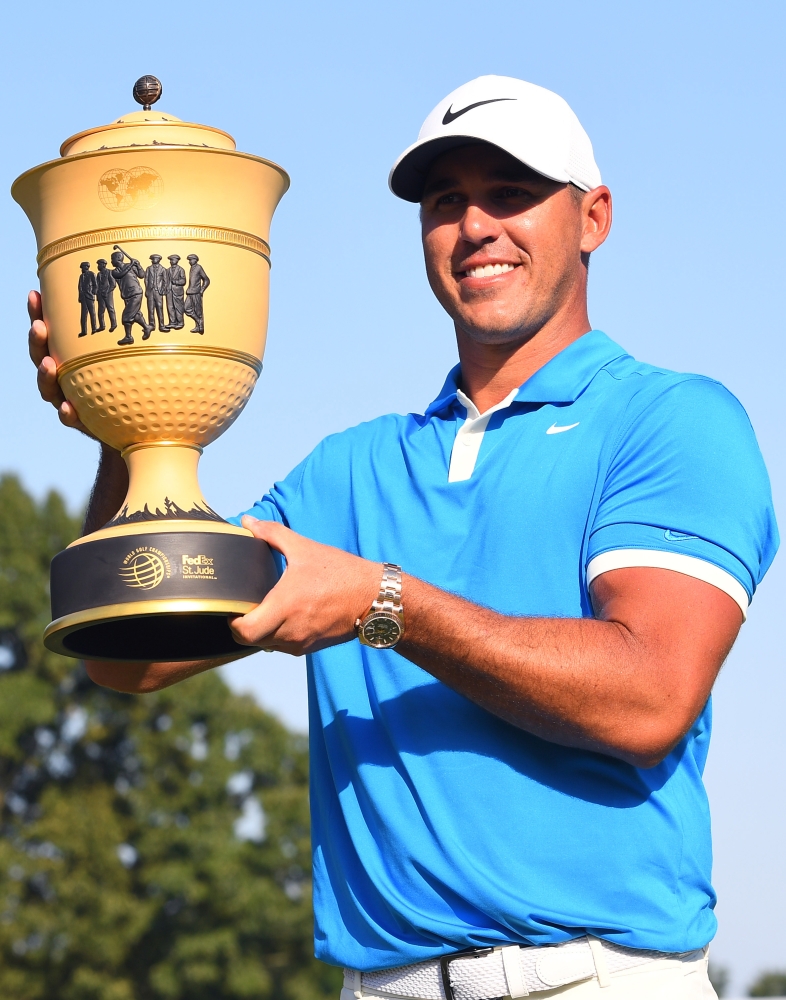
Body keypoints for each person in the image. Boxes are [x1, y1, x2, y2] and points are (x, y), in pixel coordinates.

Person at [28, 76, 778, 1000]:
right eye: (444, 201)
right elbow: (129, 655)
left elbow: (650, 694)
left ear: (595, 218)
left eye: (511, 194)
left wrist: (383, 605)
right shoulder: (349, 470)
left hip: (597, 978)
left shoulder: (673, 421)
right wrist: (124, 429)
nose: (475, 227)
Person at [110, 250, 152, 346]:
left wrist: (138, 265)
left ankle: (128, 337)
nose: (111, 261)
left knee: (126, 315)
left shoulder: (131, 266)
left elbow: (142, 275)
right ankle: (147, 327)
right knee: (135, 314)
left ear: (118, 258)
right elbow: (121, 274)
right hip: (126, 295)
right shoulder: (114, 271)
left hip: (135, 293)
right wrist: (131, 264)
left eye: (112, 259)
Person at [183, 253, 209, 333]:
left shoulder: (198, 267)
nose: (189, 261)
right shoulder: (192, 268)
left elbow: (207, 280)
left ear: (195, 260)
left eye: (191, 260)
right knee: (186, 308)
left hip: (196, 293)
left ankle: (199, 327)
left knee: (198, 310)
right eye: (189, 260)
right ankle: (199, 322)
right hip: (190, 292)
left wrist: (202, 290)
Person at [144, 253, 169, 332]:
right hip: (150, 291)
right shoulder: (148, 269)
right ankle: (152, 325)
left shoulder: (163, 269)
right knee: (150, 309)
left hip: (158, 292)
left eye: (155, 258)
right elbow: (146, 279)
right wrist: (147, 289)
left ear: (159, 260)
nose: (154, 260)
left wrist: (163, 290)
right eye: (153, 259)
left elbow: (165, 281)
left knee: (160, 308)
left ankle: (161, 325)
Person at [95, 258, 117, 332]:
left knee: (110, 309)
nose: (98, 266)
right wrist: (97, 293)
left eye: (99, 264)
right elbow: (97, 285)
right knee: (100, 311)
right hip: (100, 295)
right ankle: (102, 326)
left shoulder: (109, 272)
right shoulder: (98, 274)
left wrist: (107, 291)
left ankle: (113, 324)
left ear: (103, 265)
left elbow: (113, 284)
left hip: (108, 294)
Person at [165, 253, 186, 329]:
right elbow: (165, 280)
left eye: (172, 259)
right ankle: (172, 322)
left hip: (178, 291)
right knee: (170, 307)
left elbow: (183, 281)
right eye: (170, 260)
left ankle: (180, 322)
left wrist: (176, 282)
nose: (171, 261)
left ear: (177, 260)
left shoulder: (181, 269)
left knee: (179, 307)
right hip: (169, 291)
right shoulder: (167, 270)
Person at [76, 261, 97, 337]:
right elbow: (79, 287)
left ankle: (94, 328)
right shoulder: (81, 276)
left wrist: (93, 292)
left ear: (86, 267)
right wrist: (80, 296)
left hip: (90, 296)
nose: (81, 269)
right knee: (83, 315)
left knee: (92, 313)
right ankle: (84, 331)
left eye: (82, 267)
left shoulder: (91, 274)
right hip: (83, 297)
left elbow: (95, 284)